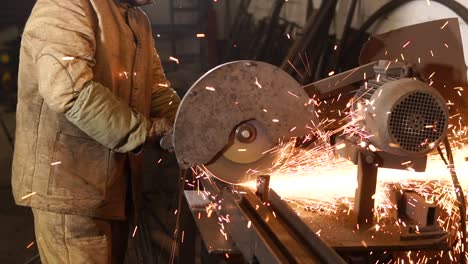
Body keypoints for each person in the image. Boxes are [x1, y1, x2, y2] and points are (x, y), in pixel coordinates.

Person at [11, 0, 181, 263]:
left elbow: (155, 88)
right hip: (69, 189)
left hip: (114, 189)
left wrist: (188, 124)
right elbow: (72, 92)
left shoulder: (137, 18)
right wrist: (145, 131)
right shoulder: (65, 5)